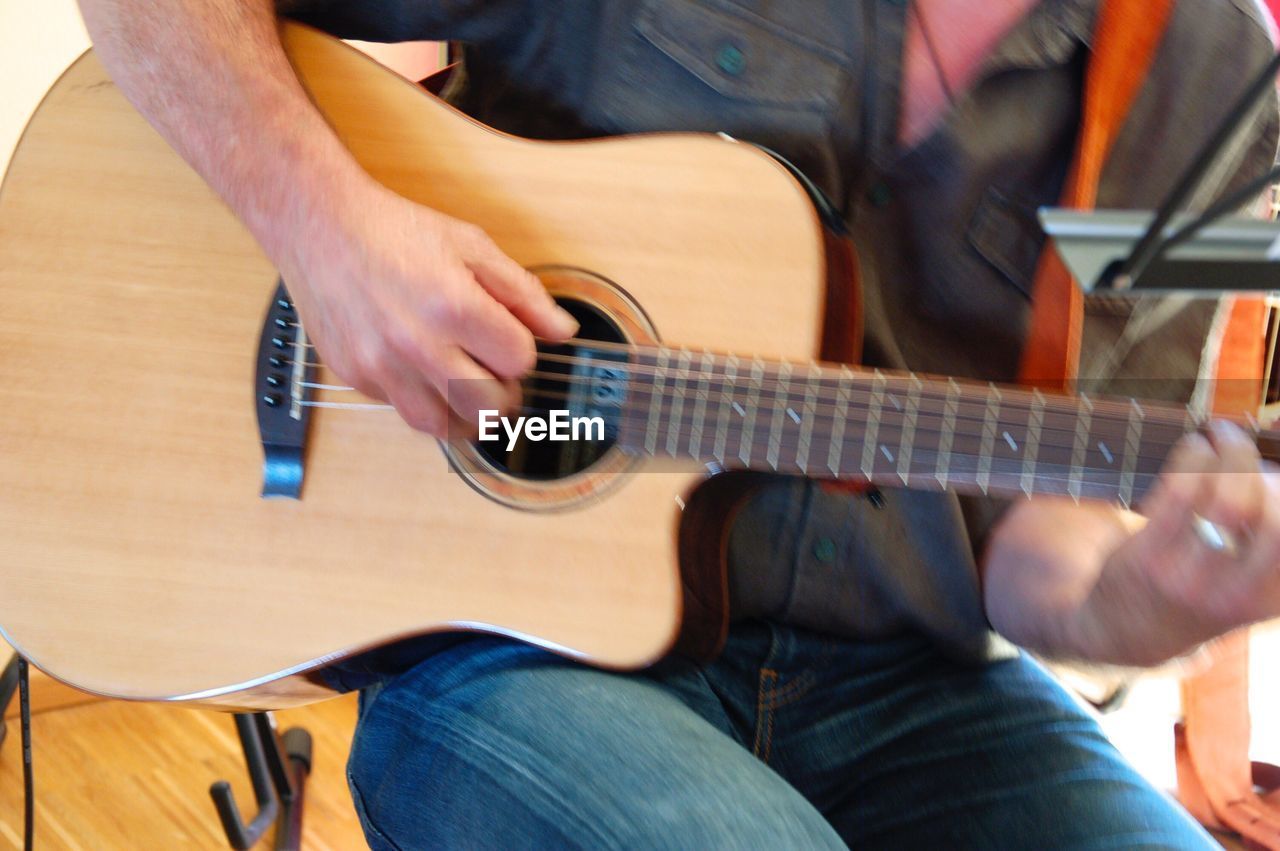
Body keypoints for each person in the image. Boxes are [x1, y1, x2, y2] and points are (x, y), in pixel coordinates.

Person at [77, 0, 1280, 847]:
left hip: (914, 690)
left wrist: (1135, 603)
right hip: (517, 651)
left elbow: (1045, 518)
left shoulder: (1216, 77)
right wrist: (323, 232)